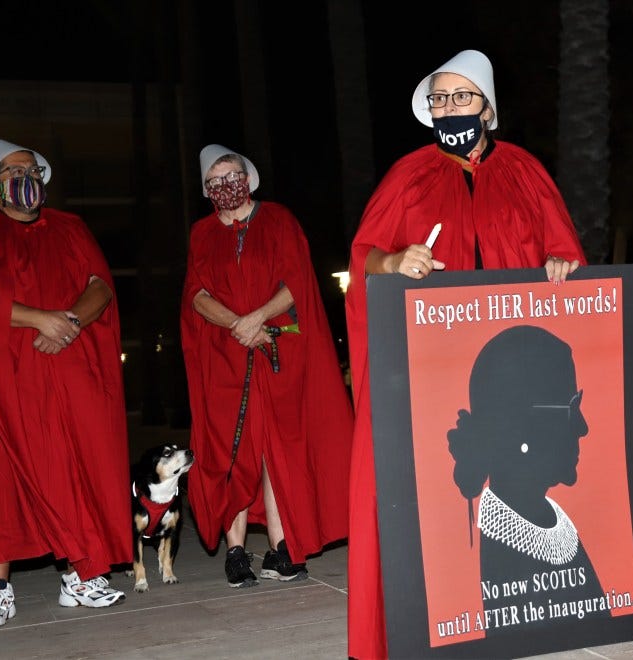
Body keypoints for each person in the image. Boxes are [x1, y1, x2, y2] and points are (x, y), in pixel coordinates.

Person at [344, 49, 587, 659]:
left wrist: (563, 265)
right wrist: (396, 261)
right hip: (432, 363)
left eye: (461, 96)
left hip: (514, 370)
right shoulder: (408, 175)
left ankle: (525, 601)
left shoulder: (527, 172)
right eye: (439, 99)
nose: (449, 108)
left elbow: (565, 251)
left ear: (488, 106)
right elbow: (363, 258)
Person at [0, 139, 131, 628]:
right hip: (8, 380)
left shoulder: (70, 228)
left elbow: (100, 286)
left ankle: (80, 574)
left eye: (31, 169)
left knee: (77, 468)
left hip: (70, 371)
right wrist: (40, 321)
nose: (23, 176)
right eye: (12, 171)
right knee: (1, 476)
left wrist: (66, 324)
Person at [181, 144, 353, 589]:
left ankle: (282, 548)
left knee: (277, 449)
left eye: (232, 175)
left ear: (249, 177)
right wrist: (238, 325)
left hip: (279, 350)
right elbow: (197, 296)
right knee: (234, 451)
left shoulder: (279, 219)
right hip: (225, 356)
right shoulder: (201, 233)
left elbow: (297, 281)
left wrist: (258, 319)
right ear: (206, 190)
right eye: (215, 181)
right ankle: (235, 552)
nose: (225, 185)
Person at [447, 326, 608, 631]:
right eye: (571, 407)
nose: (583, 427)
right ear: (520, 424)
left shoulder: (548, 522)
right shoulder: (509, 549)